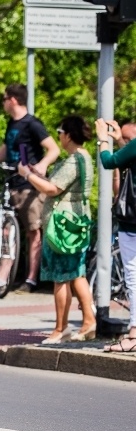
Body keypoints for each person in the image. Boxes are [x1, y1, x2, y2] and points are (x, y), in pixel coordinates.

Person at [0, 83, 60, 294]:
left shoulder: (32, 124)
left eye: (4, 98)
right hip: (12, 183)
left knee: (33, 233)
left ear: (13, 100)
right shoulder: (12, 123)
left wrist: (42, 165)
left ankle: (30, 280)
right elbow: (4, 149)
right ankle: (2, 277)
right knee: (6, 230)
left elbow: (53, 148)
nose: (3, 102)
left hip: (30, 186)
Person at [18, 116, 95, 344]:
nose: (59, 135)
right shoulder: (84, 157)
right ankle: (89, 322)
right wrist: (37, 174)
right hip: (75, 224)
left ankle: (61, 329)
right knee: (76, 274)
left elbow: (53, 189)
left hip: (63, 227)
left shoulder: (73, 160)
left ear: (69, 135)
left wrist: (28, 175)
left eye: (60, 131)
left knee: (61, 277)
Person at [95, 117, 136, 352]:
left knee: (133, 276)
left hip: (133, 222)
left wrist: (103, 140)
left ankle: (133, 336)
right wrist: (121, 139)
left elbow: (110, 162)